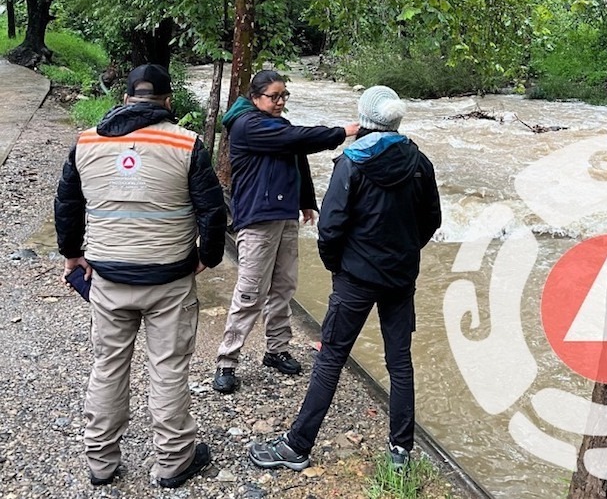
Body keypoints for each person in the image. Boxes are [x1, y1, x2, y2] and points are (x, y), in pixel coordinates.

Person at [248, 85, 441, 472]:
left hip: (355, 276)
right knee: (399, 362)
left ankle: (297, 447)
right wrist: (405, 252)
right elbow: (431, 221)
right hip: (400, 277)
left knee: (331, 357)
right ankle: (400, 452)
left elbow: (331, 227)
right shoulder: (420, 162)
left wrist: (337, 266)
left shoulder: (351, 163)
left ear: (365, 118)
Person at [54, 63, 227, 488]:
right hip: (169, 280)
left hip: (108, 279)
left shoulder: (86, 142)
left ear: (127, 98)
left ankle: (100, 462)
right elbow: (212, 210)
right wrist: (208, 256)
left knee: (108, 365)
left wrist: (72, 255)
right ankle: (172, 463)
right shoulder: (188, 144)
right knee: (168, 369)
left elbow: (67, 204)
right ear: (168, 101)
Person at [212, 70, 359, 393]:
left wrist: (306, 201)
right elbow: (296, 140)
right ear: (255, 97)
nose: (280, 102)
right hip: (257, 218)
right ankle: (226, 360)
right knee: (250, 292)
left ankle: (276, 349)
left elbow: (297, 156)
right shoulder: (248, 125)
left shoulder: (276, 124)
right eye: (274, 96)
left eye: (283, 96)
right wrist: (341, 132)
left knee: (284, 286)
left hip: (284, 214)